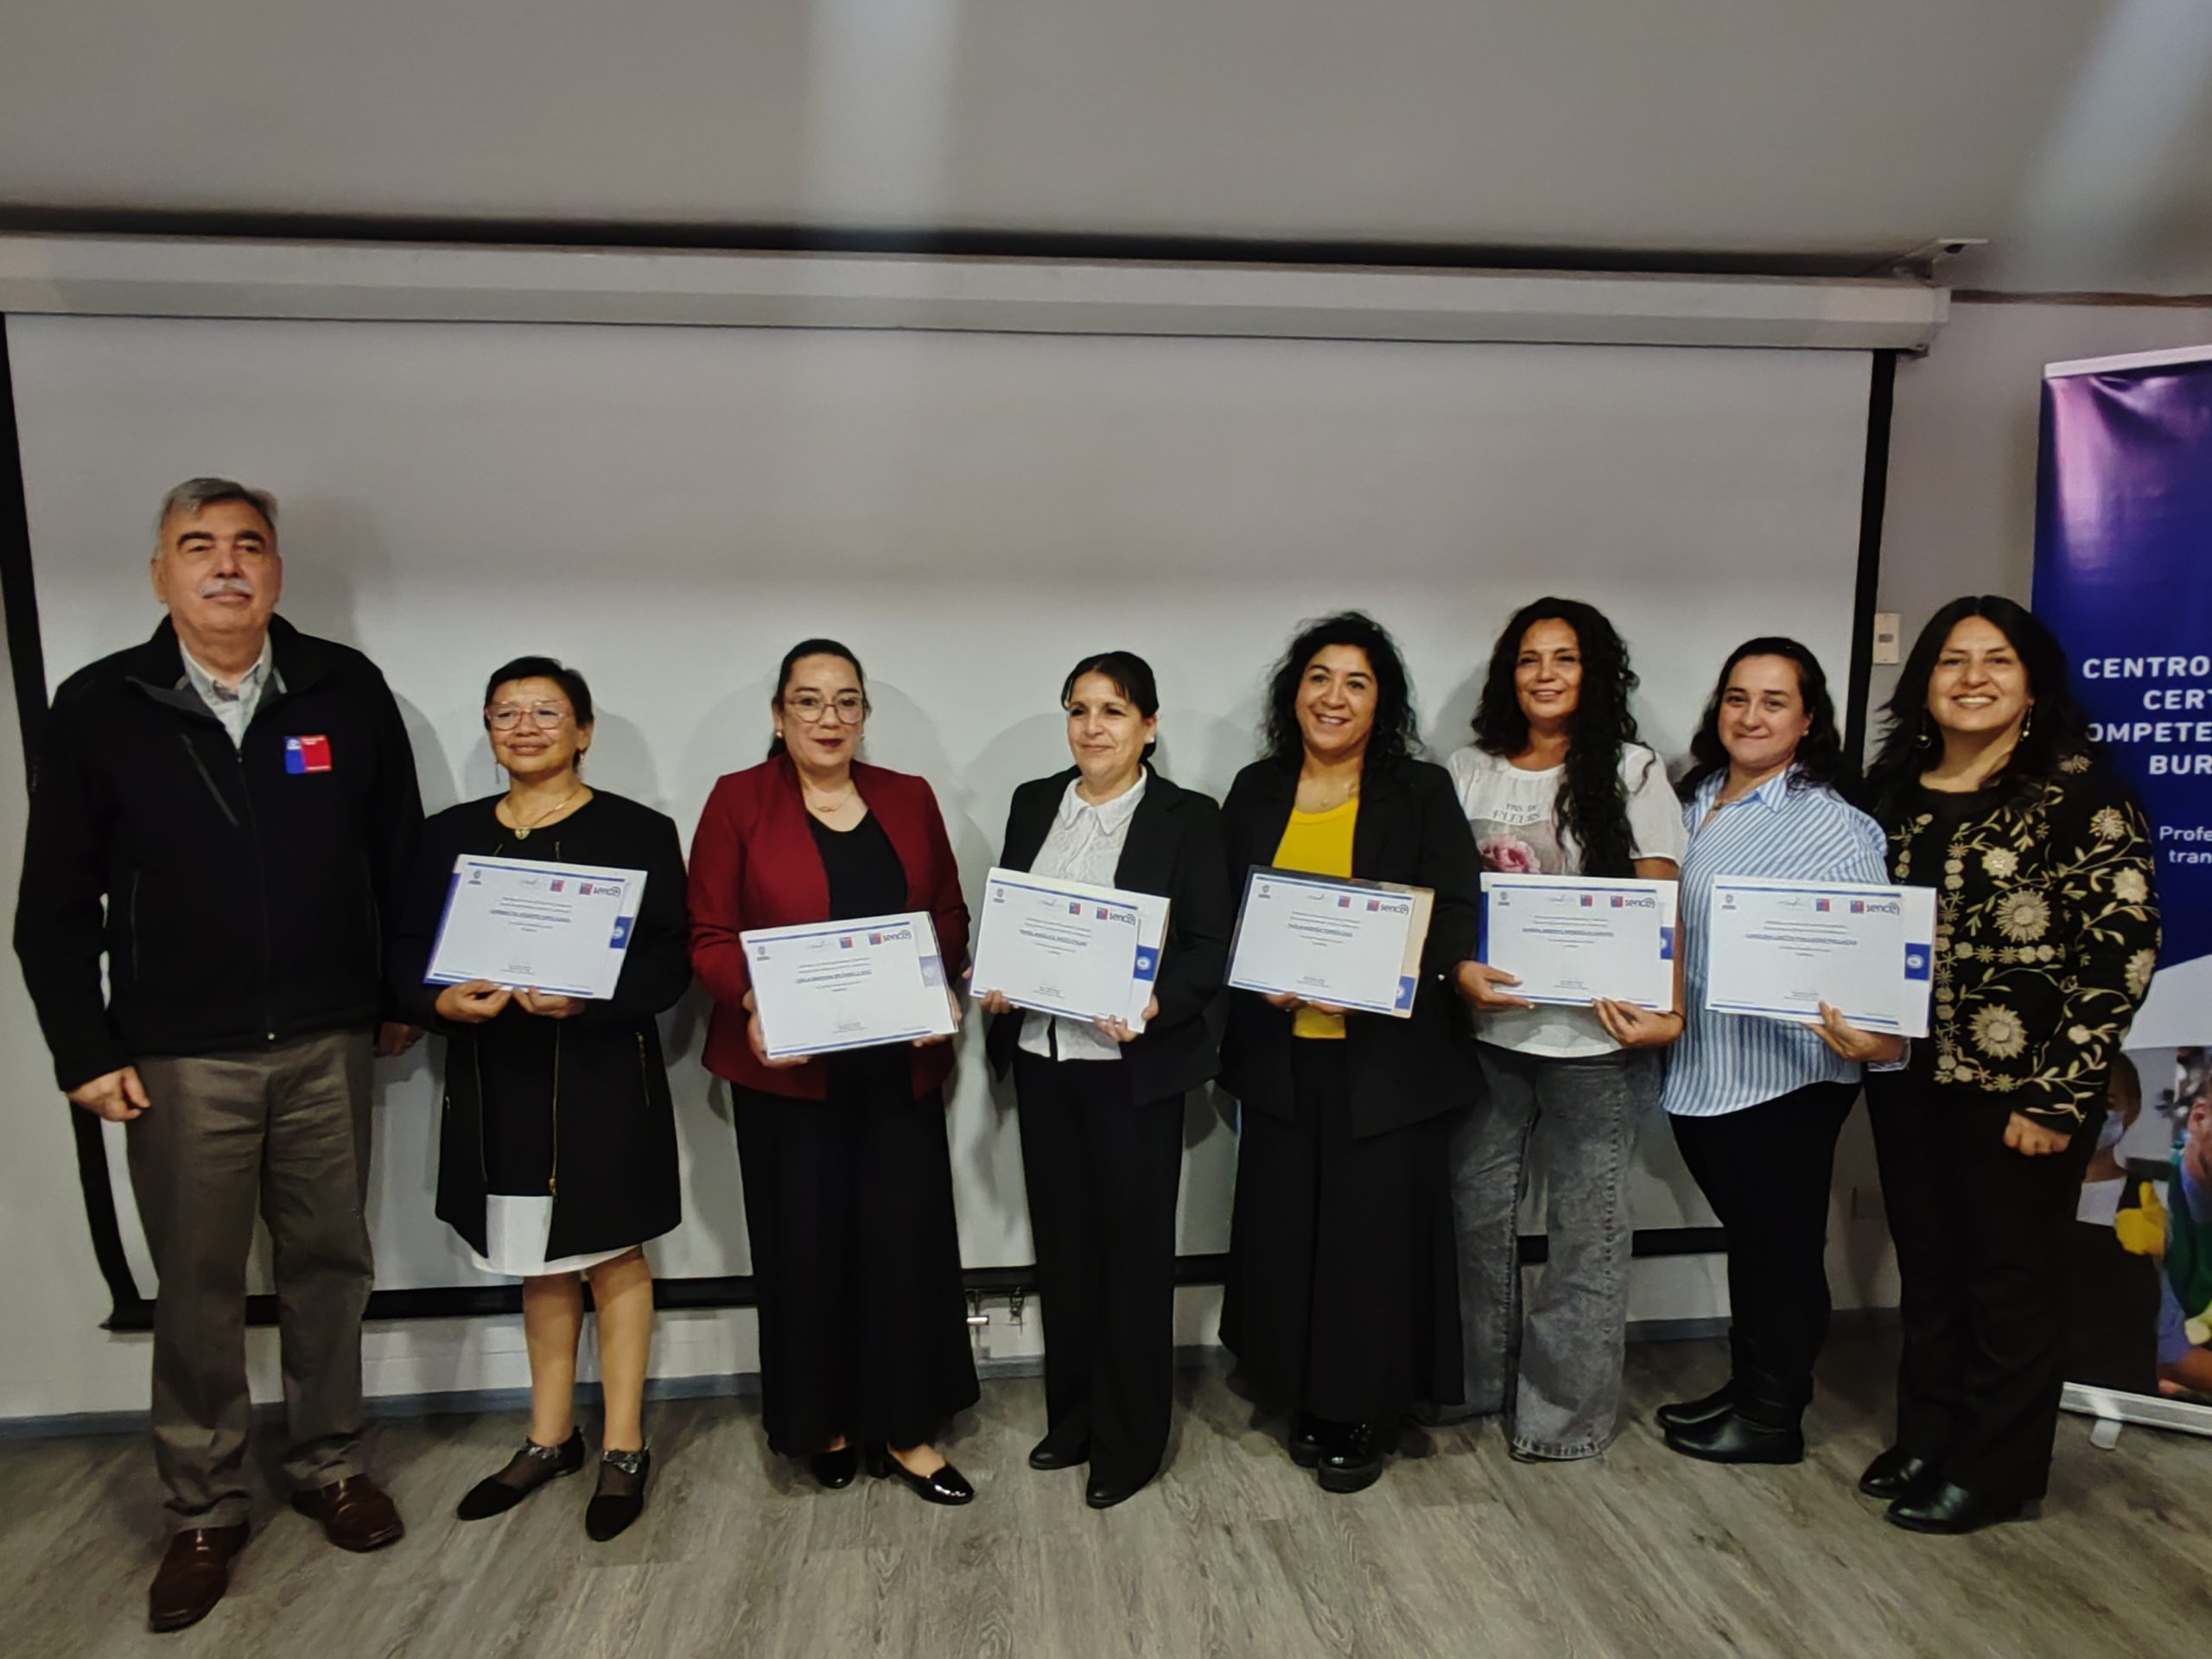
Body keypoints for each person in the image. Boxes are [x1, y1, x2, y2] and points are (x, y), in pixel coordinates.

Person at [12, 479, 423, 1632]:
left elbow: (397, 857)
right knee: (196, 1287)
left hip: (330, 1038)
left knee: (328, 1262)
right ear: (162, 574)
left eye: (248, 544)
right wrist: (83, 1049)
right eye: (197, 546)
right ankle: (202, 1507)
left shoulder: (344, 687)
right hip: (180, 1057)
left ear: (276, 570)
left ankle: (330, 1463)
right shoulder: (100, 705)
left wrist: (400, 995)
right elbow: (52, 907)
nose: (226, 564)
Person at [1860, 595, 2158, 1534]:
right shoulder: (1892, 791)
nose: (1972, 678)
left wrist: (2061, 1095)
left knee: (2009, 1277)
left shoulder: (2081, 795)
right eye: (1952, 661)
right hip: (1906, 1076)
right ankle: (1928, 1437)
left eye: (1996, 660)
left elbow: (2121, 951)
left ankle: (1994, 1470)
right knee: (1930, 1267)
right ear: (1924, 683)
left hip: (2024, 1089)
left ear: (2032, 685)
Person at [388, 657, 690, 1541]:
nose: (524, 727)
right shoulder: (448, 836)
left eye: (546, 712)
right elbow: (405, 951)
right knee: (536, 1259)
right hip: (498, 1078)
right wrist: (437, 1003)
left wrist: (590, 998)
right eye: (505, 713)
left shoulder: (638, 831)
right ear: (488, 731)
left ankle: (624, 1446)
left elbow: (669, 960)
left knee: (612, 1252)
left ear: (583, 731)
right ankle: (550, 1436)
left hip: (602, 1073)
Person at [688, 639, 980, 1503]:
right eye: (808, 700)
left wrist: (937, 985)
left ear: (864, 714)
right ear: (778, 716)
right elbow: (708, 932)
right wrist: (753, 1002)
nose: (829, 717)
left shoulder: (908, 796)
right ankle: (824, 1424)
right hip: (790, 1075)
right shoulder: (737, 800)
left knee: (903, 1249)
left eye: (846, 700)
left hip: (897, 1071)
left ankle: (907, 1430)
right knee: (805, 1251)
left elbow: (947, 911)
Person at [1216, 612, 1482, 1494]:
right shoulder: (1256, 789)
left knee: (1371, 1245)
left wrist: (1372, 982)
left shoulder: (1419, 791)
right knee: (1287, 1232)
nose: (1334, 698)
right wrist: (1256, 974)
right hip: (1281, 1058)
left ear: (1382, 702)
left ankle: (1361, 1409)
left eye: (1356, 683)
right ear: (1294, 693)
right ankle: (1298, 1389)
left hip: (1387, 1064)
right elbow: (1223, 908)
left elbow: (1454, 911)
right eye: (1319, 678)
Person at [977, 652, 1231, 1508]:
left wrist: (1156, 1001)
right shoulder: (1032, 802)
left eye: (1114, 711)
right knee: (1065, 1252)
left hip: (1131, 1070)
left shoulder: (1189, 818)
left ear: (1148, 727)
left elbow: (1209, 948)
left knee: (1132, 1258)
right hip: (1043, 1058)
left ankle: (1130, 1440)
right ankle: (1075, 1418)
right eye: (1079, 709)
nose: (1094, 728)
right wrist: (998, 974)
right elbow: (1013, 916)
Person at [1448, 596, 1685, 1461]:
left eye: (1566, 658)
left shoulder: (1630, 770)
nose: (1545, 674)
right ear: (1508, 675)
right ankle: (1473, 1386)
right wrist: (1456, 972)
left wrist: (1669, 1010)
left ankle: (1562, 1417)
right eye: (1529, 659)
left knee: (1588, 1234)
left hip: (1598, 1042)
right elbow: (1444, 894)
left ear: (1596, 674)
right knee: (1472, 1215)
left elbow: (1660, 897)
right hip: (1488, 1036)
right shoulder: (1467, 770)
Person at [1656, 638, 1900, 1463]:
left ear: (1807, 721)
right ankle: (1750, 1387)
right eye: (1737, 698)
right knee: (1753, 1241)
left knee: (1781, 1247)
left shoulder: (1834, 825)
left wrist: (1881, 1035)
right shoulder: (1689, 800)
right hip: (1701, 1065)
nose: (1750, 716)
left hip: (1785, 1077)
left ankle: (1773, 1418)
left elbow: (1872, 953)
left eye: (1773, 702)